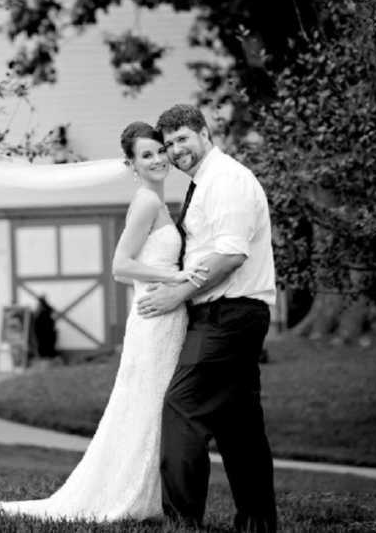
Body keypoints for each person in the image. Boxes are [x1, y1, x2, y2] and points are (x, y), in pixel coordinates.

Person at [0, 122, 205, 522]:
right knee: (147, 404)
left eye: (160, 150)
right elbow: (120, 266)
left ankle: (151, 494)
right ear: (132, 164)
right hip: (154, 318)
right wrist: (175, 277)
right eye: (146, 155)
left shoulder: (158, 202)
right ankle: (131, 494)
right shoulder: (147, 202)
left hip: (164, 316)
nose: (159, 158)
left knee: (150, 406)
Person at [137, 104, 278, 532]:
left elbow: (231, 255)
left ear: (204, 132)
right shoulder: (207, 182)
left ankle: (182, 523)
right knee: (240, 427)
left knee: (181, 408)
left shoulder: (228, 179)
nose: (175, 150)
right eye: (169, 144)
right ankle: (257, 524)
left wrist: (177, 293)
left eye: (182, 139)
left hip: (228, 315)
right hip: (229, 314)